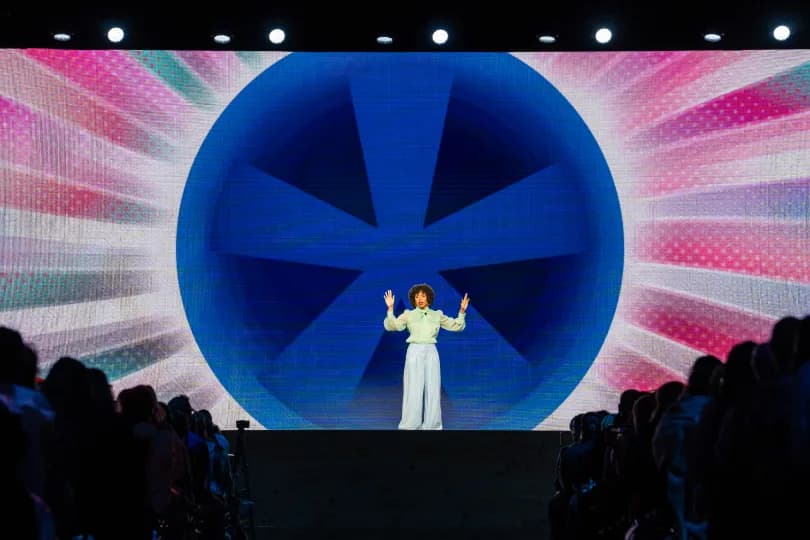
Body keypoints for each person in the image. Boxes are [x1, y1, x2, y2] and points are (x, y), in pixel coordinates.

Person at [383, 284, 469, 430]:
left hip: (431, 352)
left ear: (428, 297)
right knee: (413, 389)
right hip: (414, 351)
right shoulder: (408, 314)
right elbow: (393, 326)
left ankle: (432, 426)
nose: (419, 299)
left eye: (422, 295)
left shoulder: (437, 315)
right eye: (416, 296)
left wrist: (462, 311)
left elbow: (457, 326)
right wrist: (390, 309)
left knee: (433, 389)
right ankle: (410, 425)